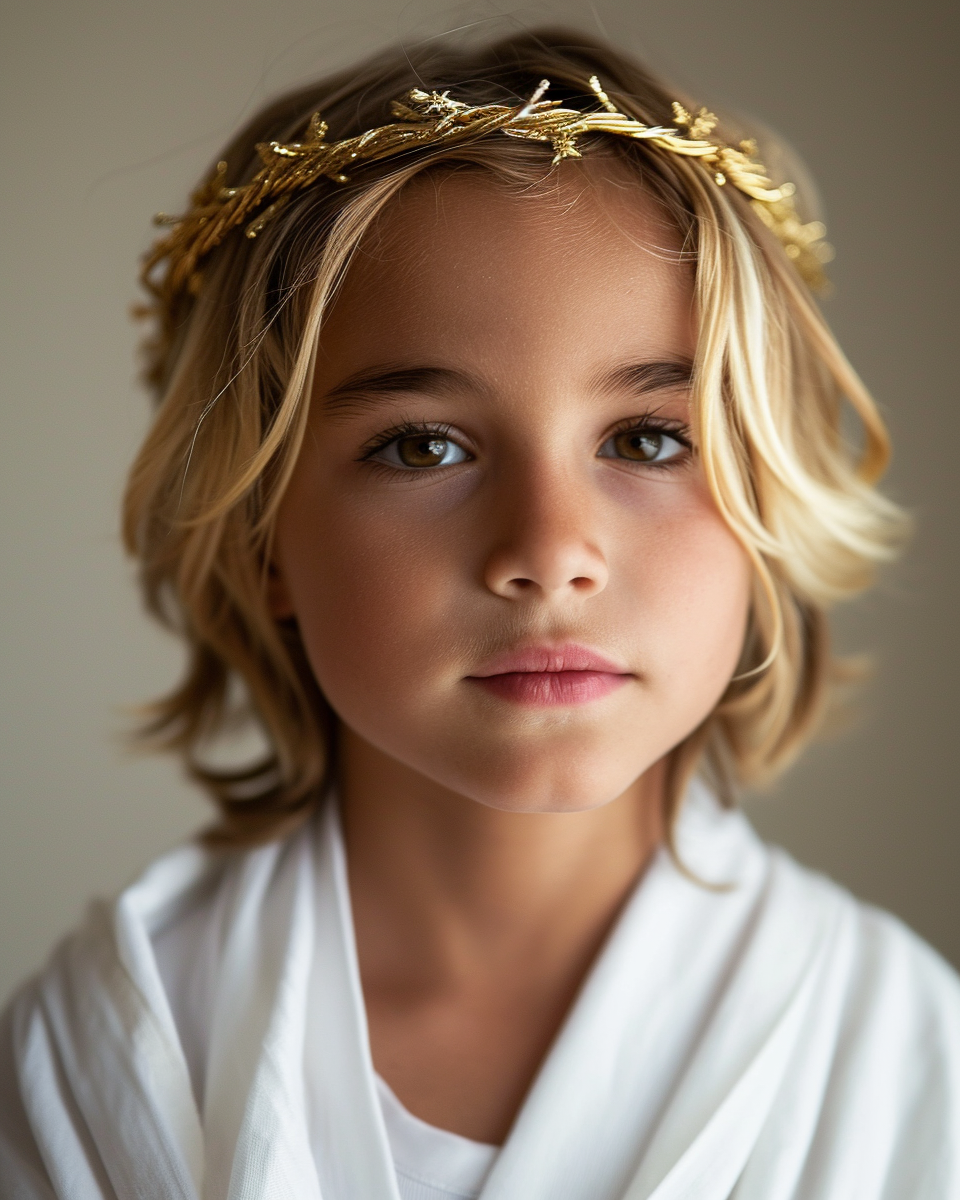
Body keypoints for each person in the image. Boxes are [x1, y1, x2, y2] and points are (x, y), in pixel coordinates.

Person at [1, 26, 957, 1200]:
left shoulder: (907, 1054)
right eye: (423, 446)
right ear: (263, 542)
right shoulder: (112, 1046)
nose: (547, 553)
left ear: (773, 504)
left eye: (649, 439)